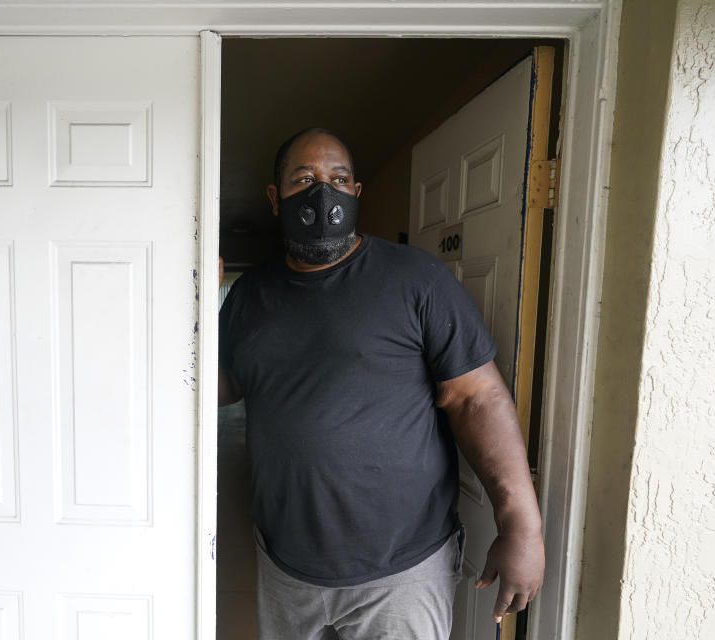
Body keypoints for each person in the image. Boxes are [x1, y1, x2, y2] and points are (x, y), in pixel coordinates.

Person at [218, 128, 544, 639]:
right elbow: (221, 387)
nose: (322, 193)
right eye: (304, 179)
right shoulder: (249, 295)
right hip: (286, 564)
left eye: (337, 179)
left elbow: (477, 397)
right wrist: (181, 303)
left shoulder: (416, 279)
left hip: (401, 571)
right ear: (274, 196)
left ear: (356, 192)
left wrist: (522, 525)